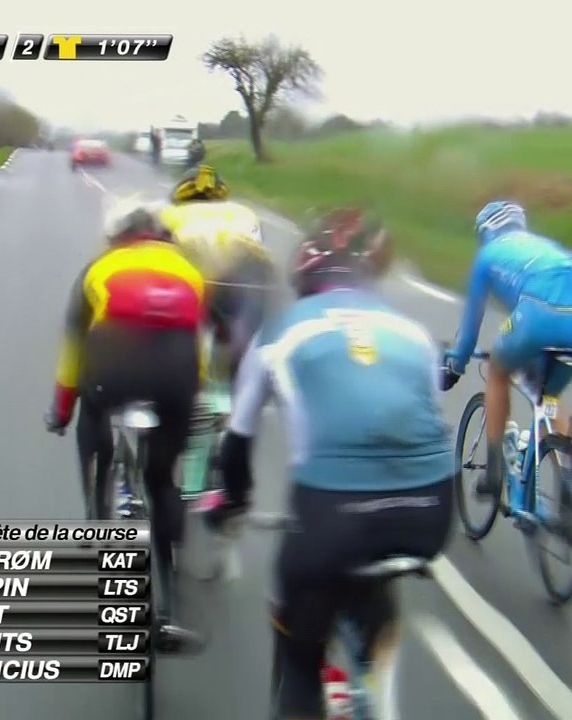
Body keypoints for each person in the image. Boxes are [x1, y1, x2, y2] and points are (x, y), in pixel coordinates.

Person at [206, 209, 453, 720]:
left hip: (331, 520)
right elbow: (429, 424)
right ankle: (381, 699)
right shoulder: (412, 332)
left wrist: (233, 502)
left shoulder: (278, 333)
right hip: (432, 510)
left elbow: (237, 441)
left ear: (304, 279)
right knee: (373, 569)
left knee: (300, 646)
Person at [43, 197, 208, 649]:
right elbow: (200, 353)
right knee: (161, 479)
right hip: (177, 379)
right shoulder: (189, 272)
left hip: (113, 374)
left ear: (117, 236)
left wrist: (61, 410)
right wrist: (188, 402)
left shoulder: (98, 269)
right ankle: (170, 589)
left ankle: (95, 519)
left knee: (90, 424)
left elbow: (73, 346)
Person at [441, 200, 572, 506]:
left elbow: (470, 328)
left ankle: (492, 473)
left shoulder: (488, 256)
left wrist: (455, 364)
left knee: (497, 367)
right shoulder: (541, 245)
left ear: (485, 231)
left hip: (541, 313)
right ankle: (571, 459)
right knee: (548, 397)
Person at [159, 164, 273, 385]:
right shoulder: (245, 213)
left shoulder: (169, 213)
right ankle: (242, 381)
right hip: (247, 282)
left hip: (195, 282)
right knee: (244, 337)